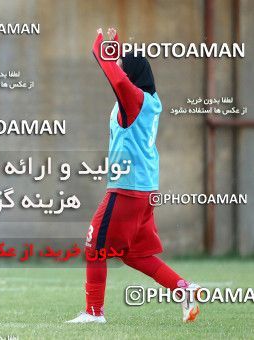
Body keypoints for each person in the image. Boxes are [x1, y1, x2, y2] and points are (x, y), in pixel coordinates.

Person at [66, 28, 200, 324]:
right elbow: (121, 73)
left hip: (127, 188)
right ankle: (184, 289)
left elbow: (112, 71)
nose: (122, 73)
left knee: (94, 247)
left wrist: (101, 43)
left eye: (126, 68)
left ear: (133, 75)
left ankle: (94, 313)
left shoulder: (134, 100)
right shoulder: (150, 100)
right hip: (145, 188)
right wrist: (118, 47)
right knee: (135, 255)